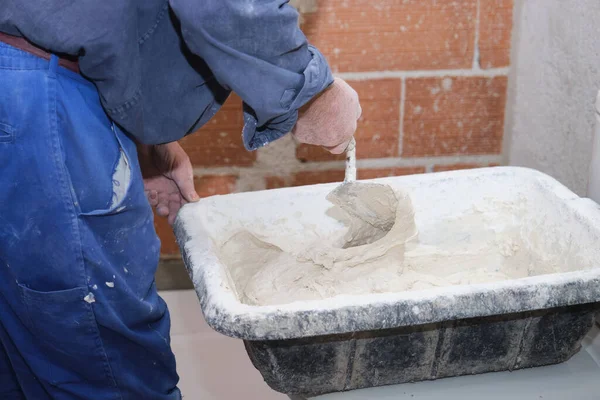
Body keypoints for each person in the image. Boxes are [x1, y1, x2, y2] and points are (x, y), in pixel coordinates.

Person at [0, 1, 361, 399]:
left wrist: (142, 134)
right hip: (36, 100)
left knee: (22, 361)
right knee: (109, 369)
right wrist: (311, 92)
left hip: (26, 87)